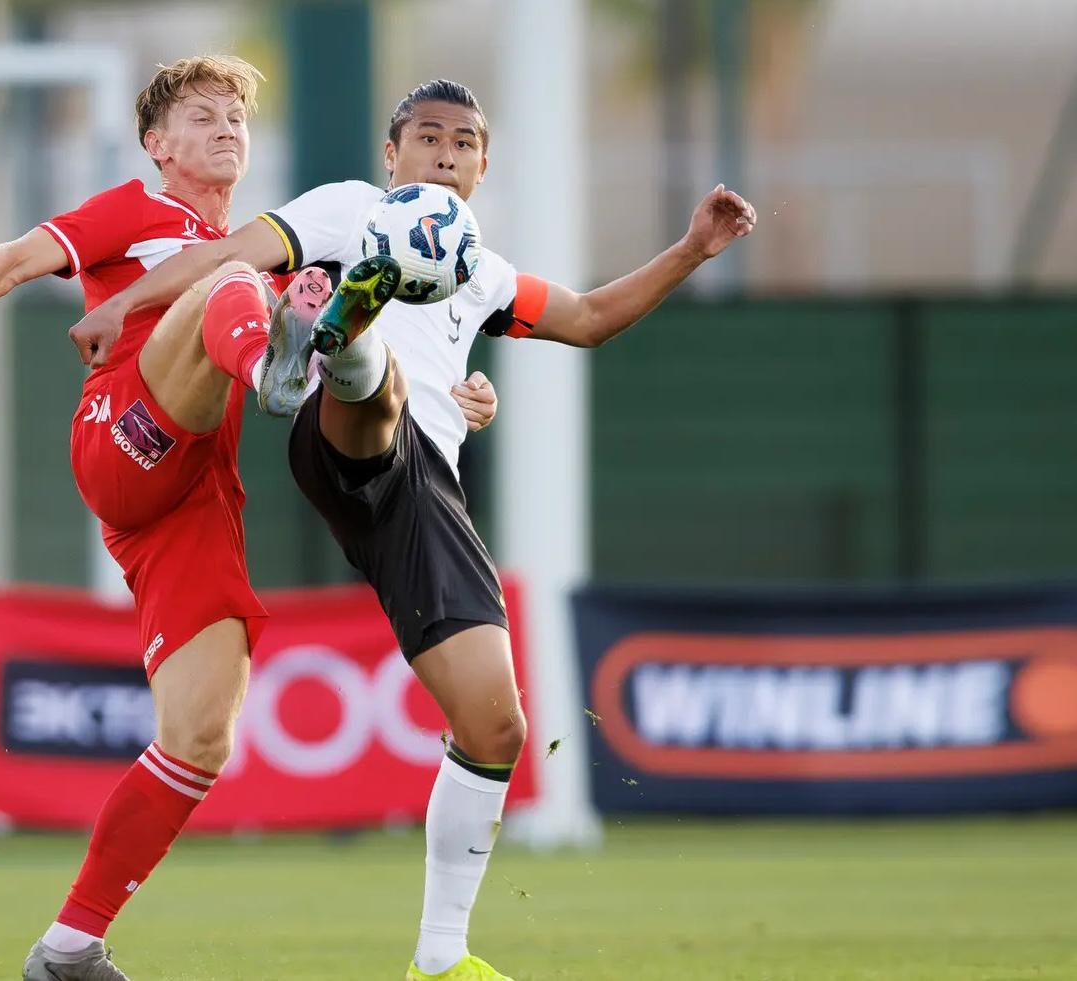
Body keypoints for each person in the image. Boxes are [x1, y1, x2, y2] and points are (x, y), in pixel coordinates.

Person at [69, 78, 757, 981]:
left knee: (495, 725)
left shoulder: (482, 271)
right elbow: (230, 254)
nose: (444, 152)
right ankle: (340, 336)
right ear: (390, 156)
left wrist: (692, 249)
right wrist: (124, 304)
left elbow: (588, 318)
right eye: (426, 137)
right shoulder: (346, 207)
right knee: (376, 390)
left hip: (426, 496)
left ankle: (439, 960)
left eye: (462, 143)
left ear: (481, 168)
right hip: (344, 437)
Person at [0, 56, 361, 981]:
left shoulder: (268, 249)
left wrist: (450, 396)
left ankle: (68, 946)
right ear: (157, 144)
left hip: (194, 499)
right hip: (124, 431)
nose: (226, 129)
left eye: (236, 118)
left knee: (200, 735)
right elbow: (17, 258)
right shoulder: (137, 211)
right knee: (227, 281)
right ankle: (273, 366)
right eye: (202, 116)